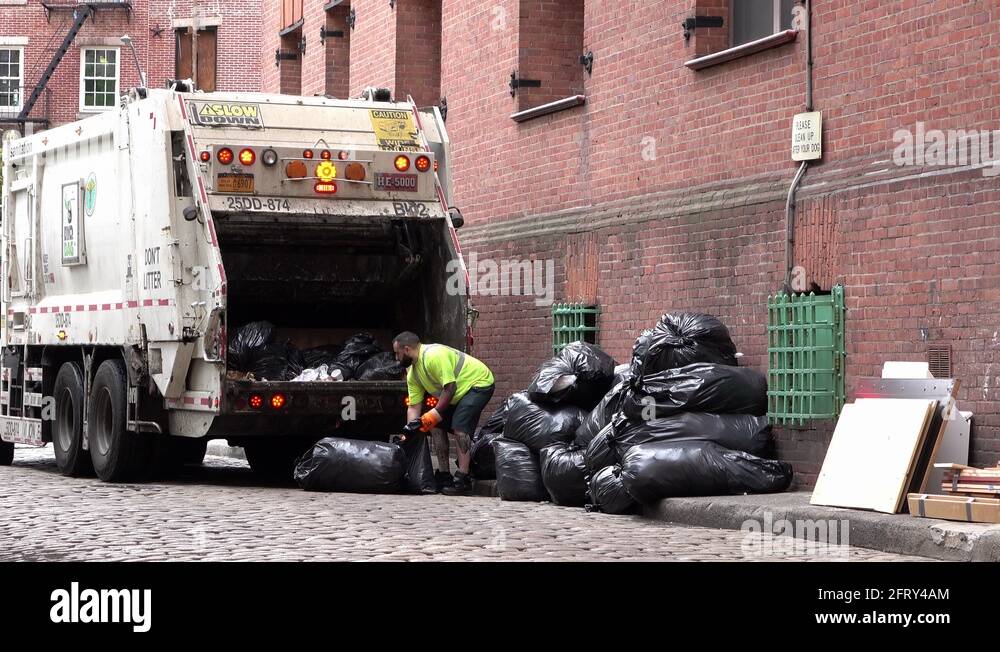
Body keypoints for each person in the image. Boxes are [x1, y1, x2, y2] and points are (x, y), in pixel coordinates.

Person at [393, 331, 495, 496]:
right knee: (434, 425)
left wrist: (435, 414)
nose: (396, 358)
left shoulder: (434, 355)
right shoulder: (413, 373)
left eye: (397, 353)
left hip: (479, 384)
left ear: (406, 350)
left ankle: (463, 478)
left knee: (460, 426)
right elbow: (413, 407)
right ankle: (444, 475)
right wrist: (409, 432)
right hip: (457, 394)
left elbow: (450, 388)